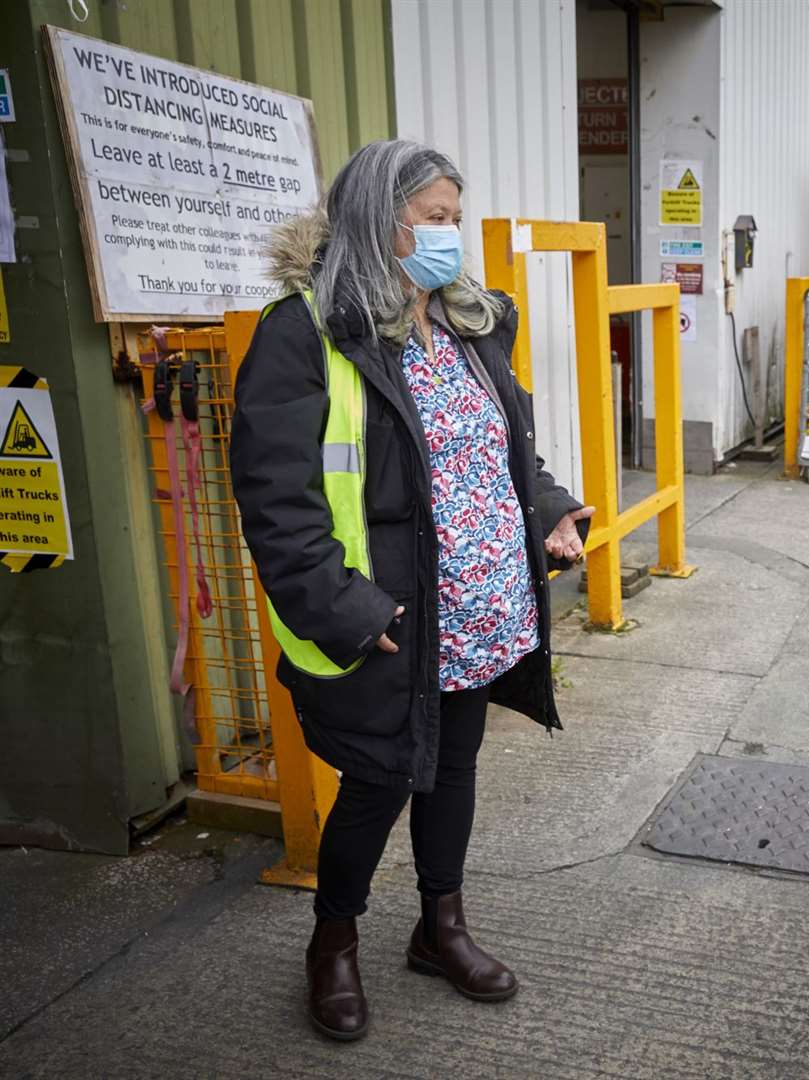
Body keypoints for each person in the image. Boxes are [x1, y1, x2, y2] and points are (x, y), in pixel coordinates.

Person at [231, 139, 594, 1042]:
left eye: (454, 220)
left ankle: (442, 926)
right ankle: (334, 943)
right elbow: (278, 503)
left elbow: (505, 453)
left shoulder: (471, 324)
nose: (450, 238)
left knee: (454, 770)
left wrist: (547, 509)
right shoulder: (308, 332)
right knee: (379, 781)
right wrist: (351, 611)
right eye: (434, 221)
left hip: (481, 607)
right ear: (375, 222)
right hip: (390, 620)